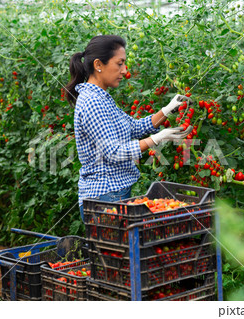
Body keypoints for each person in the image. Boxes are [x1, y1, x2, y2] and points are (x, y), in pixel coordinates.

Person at [65, 35, 191, 221]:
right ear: (98, 65)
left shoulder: (102, 98)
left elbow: (133, 127)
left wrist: (166, 110)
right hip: (105, 199)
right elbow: (114, 152)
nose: (124, 70)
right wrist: (157, 138)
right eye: (120, 63)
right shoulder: (92, 103)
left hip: (112, 195)